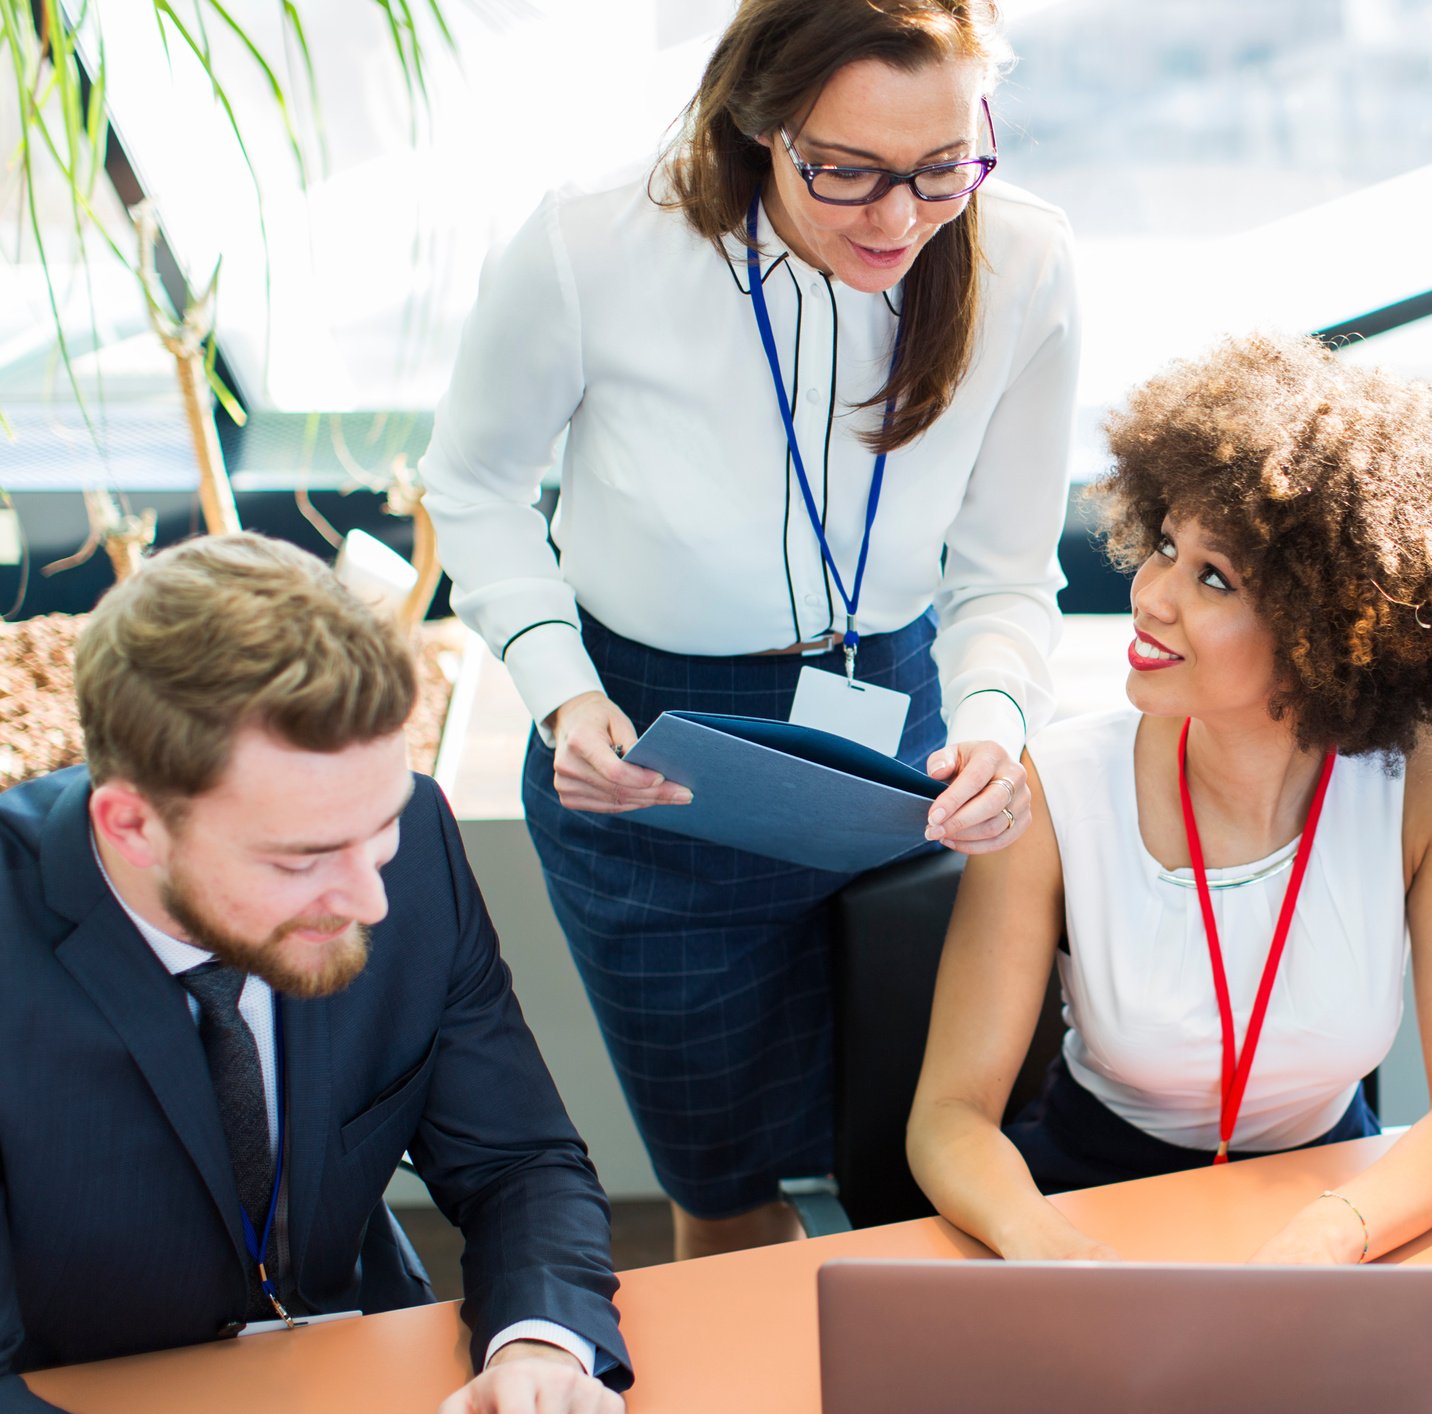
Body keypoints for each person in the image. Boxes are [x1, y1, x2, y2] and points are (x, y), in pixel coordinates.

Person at [419, 0, 1080, 1258]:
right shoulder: (594, 241)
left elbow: (1003, 572)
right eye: (847, 173)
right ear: (756, 126)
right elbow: (476, 490)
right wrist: (561, 693)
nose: (898, 220)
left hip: (899, 751)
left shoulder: (1025, 258)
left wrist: (996, 725)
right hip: (650, 759)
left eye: (942, 168)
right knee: (720, 1183)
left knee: (923, 1157)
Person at [0, 534, 631, 1414]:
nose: (370, 898)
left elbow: (518, 1161)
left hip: (375, 1397)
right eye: (302, 860)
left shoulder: (404, 836)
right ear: (130, 827)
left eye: (375, 830)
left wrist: (539, 1343)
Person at [908, 334, 1432, 1263]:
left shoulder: (1430, 776)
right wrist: (1043, 1243)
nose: (1151, 595)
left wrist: (1333, 1233)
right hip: (1091, 1198)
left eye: (1214, 577)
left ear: (1329, 628)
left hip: (1336, 1200)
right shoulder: (1062, 782)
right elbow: (950, 1117)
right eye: (1165, 546)